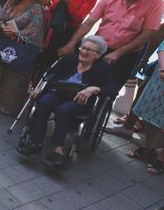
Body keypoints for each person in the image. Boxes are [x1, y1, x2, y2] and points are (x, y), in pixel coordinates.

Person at [58, 0, 164, 91]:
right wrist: (71, 43)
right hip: (98, 51)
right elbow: (89, 23)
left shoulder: (155, 4)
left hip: (126, 55)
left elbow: (148, 34)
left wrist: (118, 53)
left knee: (108, 91)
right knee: (82, 85)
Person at [19, 35, 116, 167]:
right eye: (83, 48)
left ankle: (57, 149)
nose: (84, 52)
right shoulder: (70, 59)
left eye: (90, 50)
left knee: (63, 110)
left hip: (79, 101)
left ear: (98, 55)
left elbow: (111, 89)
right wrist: (40, 88)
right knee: (43, 103)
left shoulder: (102, 68)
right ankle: (35, 142)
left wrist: (94, 88)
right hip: (57, 93)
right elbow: (50, 73)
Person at [129, 39, 164, 174]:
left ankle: (161, 160)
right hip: (161, 78)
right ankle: (148, 148)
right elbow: (163, 46)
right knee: (153, 115)